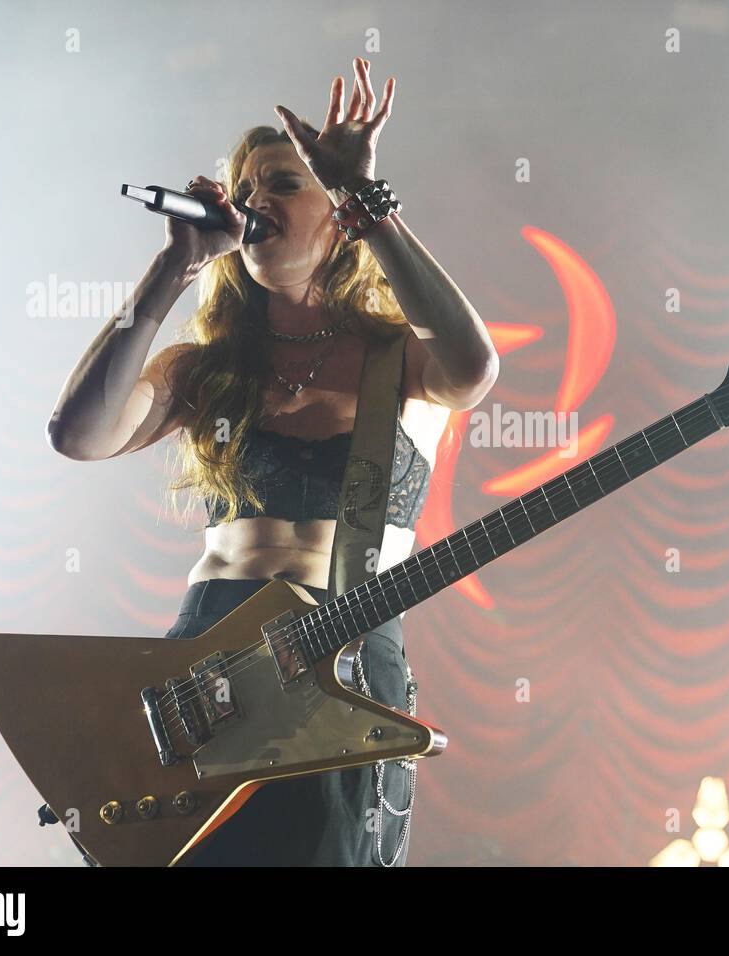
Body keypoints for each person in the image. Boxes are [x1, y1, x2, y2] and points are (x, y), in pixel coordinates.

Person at [45, 57, 499, 865]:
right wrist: (174, 265)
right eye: (246, 192)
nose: (256, 205)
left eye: (285, 185)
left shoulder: (398, 357)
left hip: (347, 657)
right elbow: (78, 435)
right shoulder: (205, 366)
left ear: (337, 216)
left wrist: (367, 196)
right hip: (208, 655)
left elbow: (472, 368)